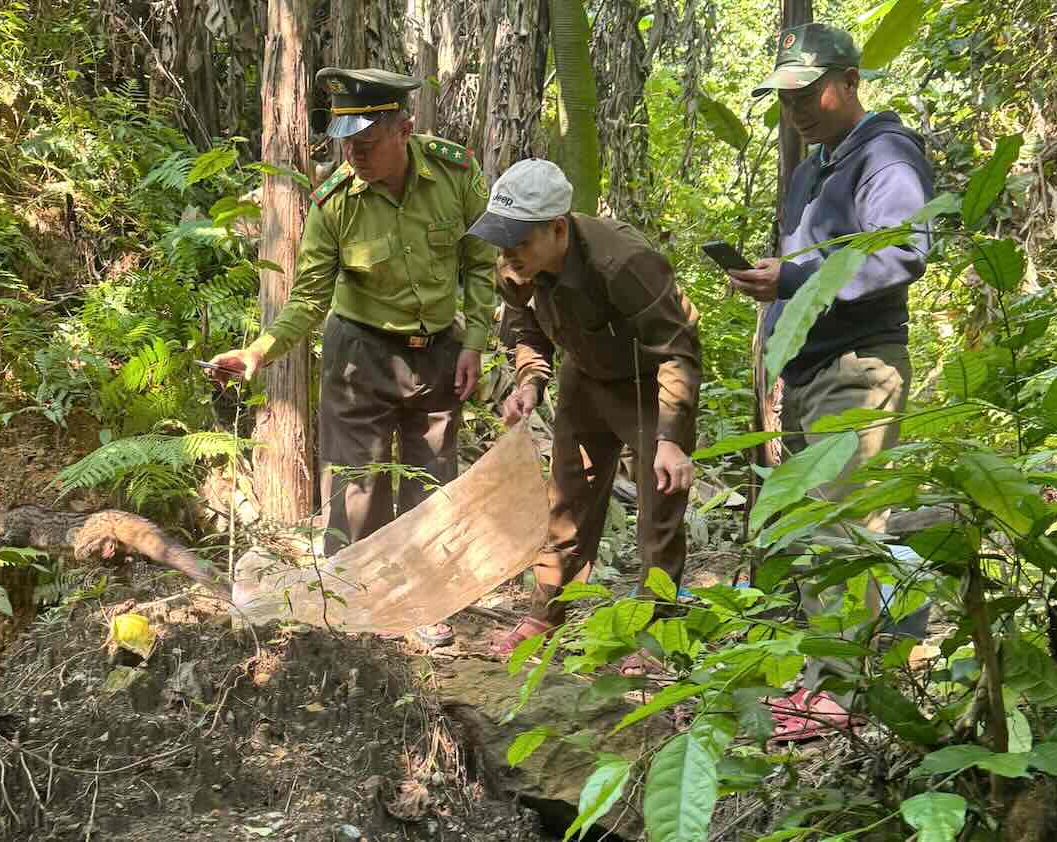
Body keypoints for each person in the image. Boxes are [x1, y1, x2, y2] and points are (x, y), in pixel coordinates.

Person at [208, 67, 496, 648]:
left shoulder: (455, 174)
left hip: (438, 352)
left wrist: (474, 343)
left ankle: (425, 602)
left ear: (404, 130)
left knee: (431, 483)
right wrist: (260, 352)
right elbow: (309, 298)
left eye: (366, 143)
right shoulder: (335, 201)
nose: (353, 155)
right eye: (345, 142)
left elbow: (481, 262)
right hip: (360, 354)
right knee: (356, 490)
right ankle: (357, 609)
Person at [727, 23, 934, 739]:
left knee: (844, 529)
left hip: (859, 366)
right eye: (785, 98)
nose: (796, 110)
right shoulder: (813, 168)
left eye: (808, 94)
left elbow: (902, 253)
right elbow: (805, 268)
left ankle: (841, 695)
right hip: (810, 370)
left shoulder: (886, 154)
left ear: (849, 82)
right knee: (818, 527)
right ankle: (834, 675)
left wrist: (793, 279)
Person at [468, 159, 702, 676]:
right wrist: (530, 382)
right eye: (502, 241)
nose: (508, 254)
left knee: (658, 510)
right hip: (583, 376)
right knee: (568, 500)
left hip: (646, 384)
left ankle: (655, 632)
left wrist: (671, 438)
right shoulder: (515, 265)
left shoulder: (624, 261)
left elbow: (678, 349)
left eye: (519, 241)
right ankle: (545, 614)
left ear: (557, 228)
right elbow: (528, 331)